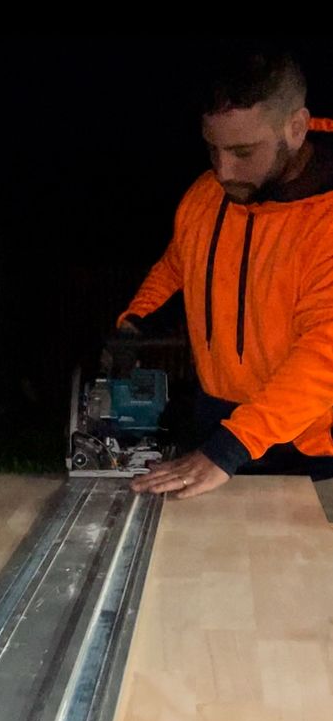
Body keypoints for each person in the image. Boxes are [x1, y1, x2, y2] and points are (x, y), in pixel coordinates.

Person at [117, 47, 333, 499]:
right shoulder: (206, 196)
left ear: (296, 128)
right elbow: (179, 264)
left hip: (316, 454)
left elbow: (324, 352)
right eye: (213, 150)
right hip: (219, 437)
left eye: (242, 152)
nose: (222, 171)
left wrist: (232, 447)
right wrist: (136, 323)